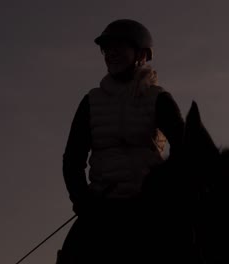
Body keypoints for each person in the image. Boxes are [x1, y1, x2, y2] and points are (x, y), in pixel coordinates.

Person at [58, 19, 185, 264]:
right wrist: (84, 202)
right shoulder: (90, 102)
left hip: (149, 208)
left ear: (140, 54)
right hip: (101, 208)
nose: (111, 53)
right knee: (71, 255)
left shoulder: (159, 99)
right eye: (107, 49)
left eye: (119, 47)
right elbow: (72, 159)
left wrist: (166, 193)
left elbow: (185, 149)